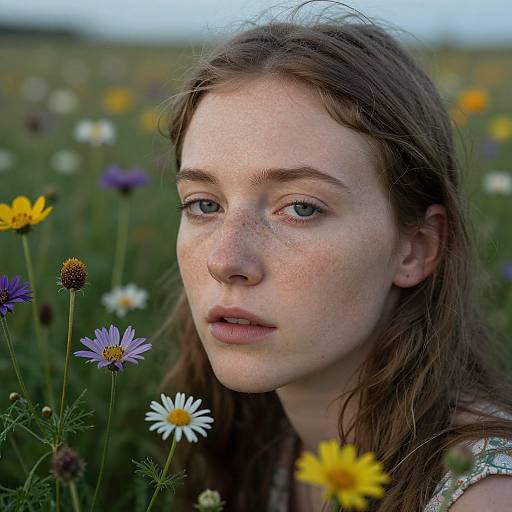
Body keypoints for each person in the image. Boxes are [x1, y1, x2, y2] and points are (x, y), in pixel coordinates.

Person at [157, 2, 512, 510]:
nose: (225, 259)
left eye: (300, 208)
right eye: (204, 204)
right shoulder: (256, 441)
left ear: (416, 248)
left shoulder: (485, 499)